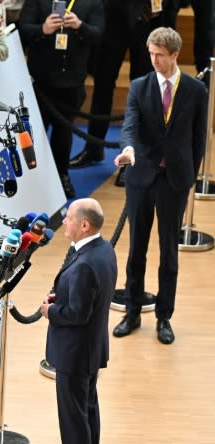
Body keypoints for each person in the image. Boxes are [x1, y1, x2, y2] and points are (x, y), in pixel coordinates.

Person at [112, 27, 207, 345]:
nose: (153, 60)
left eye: (160, 55)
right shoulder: (139, 86)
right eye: (151, 53)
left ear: (175, 55)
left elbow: (198, 138)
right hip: (140, 177)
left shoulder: (196, 90)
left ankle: (164, 316)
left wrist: (189, 175)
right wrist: (127, 149)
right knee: (136, 248)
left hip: (175, 180)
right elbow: (129, 125)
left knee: (169, 251)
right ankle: (133, 311)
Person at [37, 198, 117, 444]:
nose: (65, 223)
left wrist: (51, 311)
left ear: (84, 225)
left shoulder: (85, 263)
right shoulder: (102, 250)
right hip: (90, 349)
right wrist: (64, 295)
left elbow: (77, 314)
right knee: (87, 412)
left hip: (75, 352)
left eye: (69, 219)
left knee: (74, 418)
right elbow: (90, 296)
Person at [69, 0, 179, 169]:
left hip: (150, 21)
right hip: (113, 18)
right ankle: (93, 148)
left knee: (142, 90)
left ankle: (133, 157)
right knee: (102, 84)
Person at [18, 0, 104, 199]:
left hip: (72, 81)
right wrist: (43, 29)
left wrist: (80, 26)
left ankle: (61, 176)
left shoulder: (92, 3)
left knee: (64, 132)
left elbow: (99, 35)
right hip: (40, 80)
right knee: (34, 133)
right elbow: (22, 29)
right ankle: (32, 180)